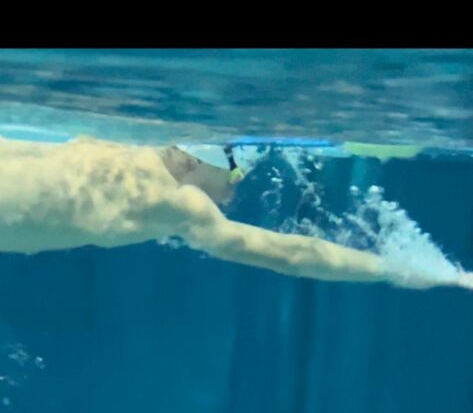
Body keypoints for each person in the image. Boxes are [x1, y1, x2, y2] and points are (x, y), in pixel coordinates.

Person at [0, 134, 471, 290]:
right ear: (191, 162)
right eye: (234, 175)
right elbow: (290, 255)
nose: (234, 190)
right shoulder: (174, 201)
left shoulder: (105, 148)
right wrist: (397, 269)